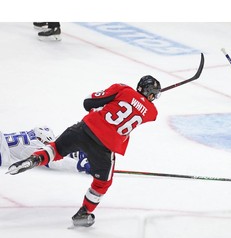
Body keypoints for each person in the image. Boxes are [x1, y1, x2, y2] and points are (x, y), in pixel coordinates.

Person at [7, 76, 161, 227]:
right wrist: (140, 101)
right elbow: (140, 107)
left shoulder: (122, 89)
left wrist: (102, 107)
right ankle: (83, 214)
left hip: (84, 129)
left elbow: (88, 102)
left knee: (56, 149)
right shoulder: (152, 112)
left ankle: (35, 159)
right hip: (105, 147)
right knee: (102, 184)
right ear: (151, 94)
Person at [0, 126, 90, 174]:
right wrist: (78, 165)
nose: (48, 146)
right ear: (41, 139)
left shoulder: (29, 136)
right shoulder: (34, 146)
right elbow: (52, 161)